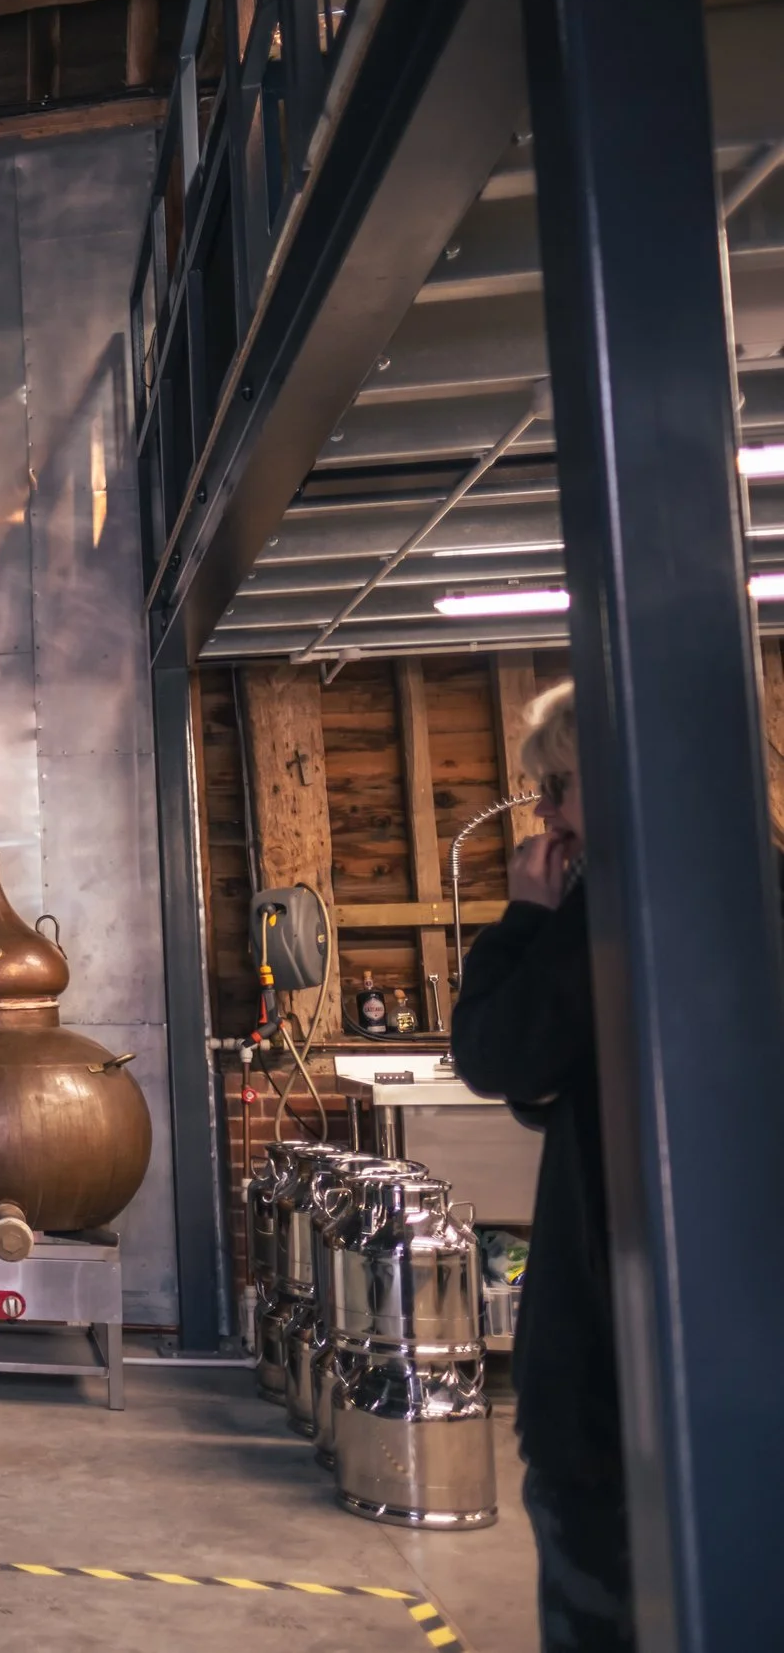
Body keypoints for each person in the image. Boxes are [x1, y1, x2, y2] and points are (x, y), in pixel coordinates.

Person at [450, 680, 628, 1653]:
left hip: (609, 1340)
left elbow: (499, 1054)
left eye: (556, 785)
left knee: (598, 1578)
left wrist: (524, 915)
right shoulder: (732, 874)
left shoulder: (613, 902)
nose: (546, 812)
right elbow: (544, 1073)